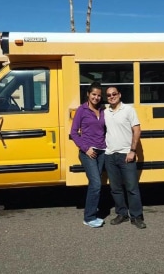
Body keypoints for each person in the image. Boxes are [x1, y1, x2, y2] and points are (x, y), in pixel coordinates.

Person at [104, 86, 146, 229]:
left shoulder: (128, 110)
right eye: (109, 95)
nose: (111, 96)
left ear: (119, 95)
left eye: (114, 94)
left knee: (132, 188)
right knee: (115, 188)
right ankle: (122, 213)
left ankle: (136, 216)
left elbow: (137, 130)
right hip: (110, 155)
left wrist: (132, 151)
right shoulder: (105, 112)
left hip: (126, 155)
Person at [70, 82, 107, 228]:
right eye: (94, 94)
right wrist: (86, 148)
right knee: (97, 184)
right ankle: (89, 217)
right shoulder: (82, 110)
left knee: (94, 184)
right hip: (88, 152)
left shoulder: (103, 110)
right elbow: (74, 133)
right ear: (88, 94)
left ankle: (92, 212)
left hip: (102, 151)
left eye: (99, 95)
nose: (96, 97)